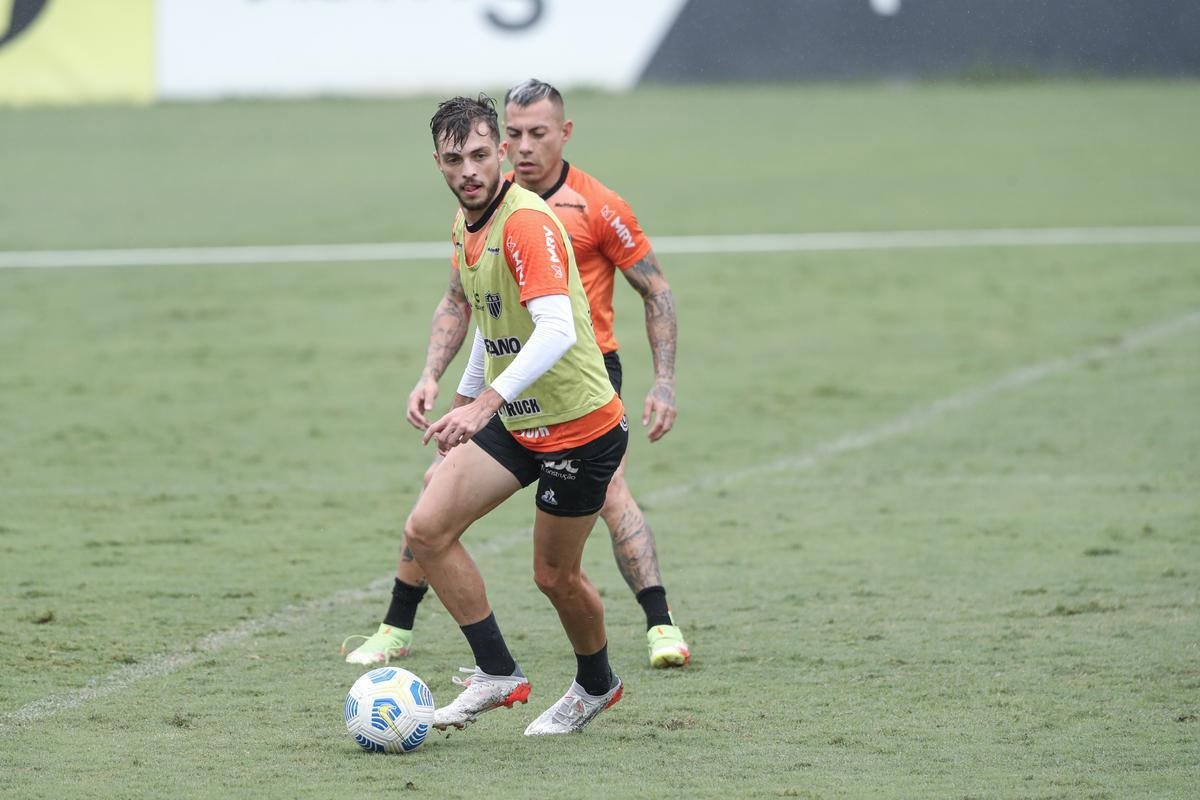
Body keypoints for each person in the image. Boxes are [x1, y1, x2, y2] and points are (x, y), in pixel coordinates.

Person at [343, 79, 689, 670]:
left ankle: (658, 624)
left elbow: (652, 293)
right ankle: (402, 627)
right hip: (510, 375)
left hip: (583, 373)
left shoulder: (587, 208)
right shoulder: (474, 217)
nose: (523, 146)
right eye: (514, 134)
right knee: (436, 495)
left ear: (563, 133)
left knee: (600, 513)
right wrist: (450, 387)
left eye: (535, 134)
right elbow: (472, 306)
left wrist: (664, 381)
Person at [370, 94, 626, 735]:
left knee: (554, 576)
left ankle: (596, 684)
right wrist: (460, 397)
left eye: (482, 154)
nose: (469, 170)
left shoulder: (525, 224)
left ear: (503, 153)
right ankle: (498, 673)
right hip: (516, 421)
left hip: (578, 428)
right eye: (455, 159)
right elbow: (491, 324)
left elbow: (555, 328)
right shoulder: (466, 225)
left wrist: (485, 403)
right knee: (428, 528)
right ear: (438, 163)